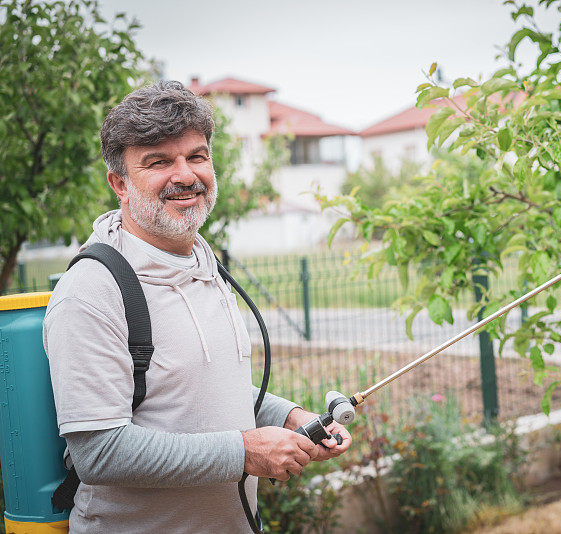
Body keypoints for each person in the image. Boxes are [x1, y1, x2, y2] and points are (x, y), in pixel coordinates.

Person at [43, 80, 351, 533]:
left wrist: (291, 418)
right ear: (119, 184)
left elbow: (192, 391)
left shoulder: (203, 265)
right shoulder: (92, 290)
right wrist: (245, 452)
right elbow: (100, 453)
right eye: (159, 162)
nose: (185, 175)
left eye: (197, 156)